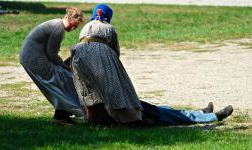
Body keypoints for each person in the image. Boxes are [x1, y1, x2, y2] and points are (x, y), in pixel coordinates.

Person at [70, 4, 233, 126]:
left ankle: (201, 113)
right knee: (159, 111)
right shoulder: (108, 28)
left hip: (85, 73)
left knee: (156, 108)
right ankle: (209, 117)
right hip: (124, 110)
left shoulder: (84, 31)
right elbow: (115, 53)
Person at [19, 7, 84, 125]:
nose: (73, 28)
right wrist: (65, 66)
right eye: (73, 25)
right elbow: (52, 54)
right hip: (34, 58)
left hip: (29, 57)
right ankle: (62, 116)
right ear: (68, 18)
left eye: (76, 27)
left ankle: (61, 116)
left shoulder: (56, 24)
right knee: (65, 79)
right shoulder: (58, 28)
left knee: (62, 81)